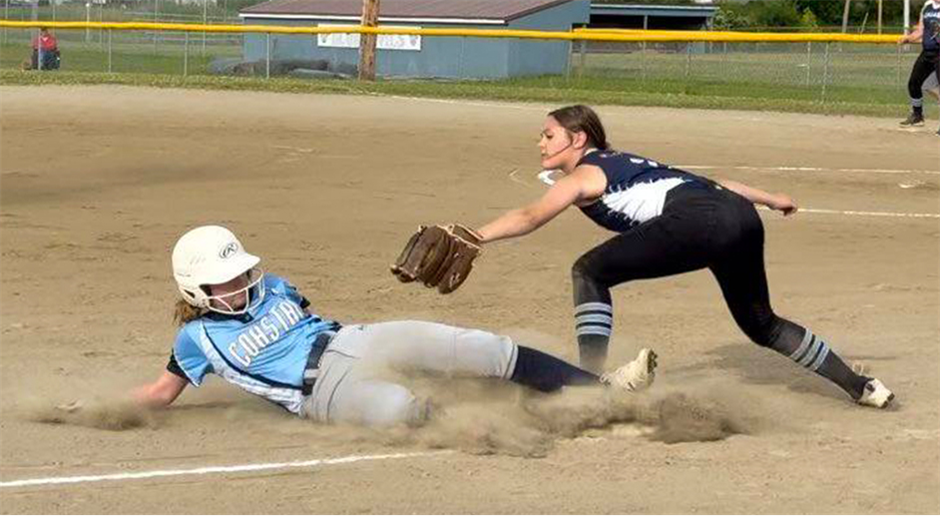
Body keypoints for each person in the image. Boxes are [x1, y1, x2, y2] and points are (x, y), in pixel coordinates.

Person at [467, 105, 893, 408]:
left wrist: (474, 236)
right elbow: (713, 183)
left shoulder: (585, 172)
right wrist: (769, 199)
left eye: (548, 134)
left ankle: (585, 382)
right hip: (738, 217)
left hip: (700, 221)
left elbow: (531, 215)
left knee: (589, 271)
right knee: (763, 325)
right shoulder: (631, 163)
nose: (540, 142)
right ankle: (861, 386)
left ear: (577, 138)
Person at [131, 225, 657, 427]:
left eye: (242, 270)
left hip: (354, 339)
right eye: (226, 279)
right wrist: (94, 411)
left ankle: (605, 389)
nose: (242, 281)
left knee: (477, 348)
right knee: (410, 412)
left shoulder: (275, 286)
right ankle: (549, 417)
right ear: (195, 290)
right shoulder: (195, 339)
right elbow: (160, 392)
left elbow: (314, 321)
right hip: (325, 395)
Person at [898, 0, 940, 135]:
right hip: (927, 53)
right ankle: (917, 115)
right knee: (914, 82)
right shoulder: (927, 7)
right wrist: (909, 38)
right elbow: (921, 30)